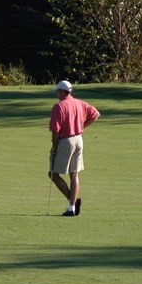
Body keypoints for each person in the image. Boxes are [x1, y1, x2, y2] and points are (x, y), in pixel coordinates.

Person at [48, 80, 100, 216]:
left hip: (66, 141)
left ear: (62, 91)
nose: (57, 93)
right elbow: (95, 114)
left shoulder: (59, 106)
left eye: (58, 91)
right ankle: (71, 208)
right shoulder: (79, 103)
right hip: (79, 139)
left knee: (53, 174)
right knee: (74, 174)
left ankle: (73, 202)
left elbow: (55, 130)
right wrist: (81, 126)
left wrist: (54, 146)